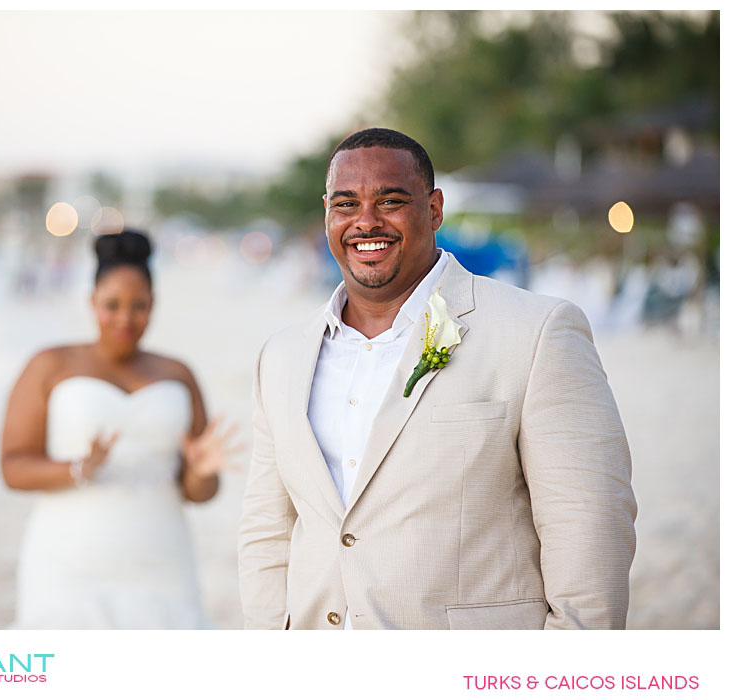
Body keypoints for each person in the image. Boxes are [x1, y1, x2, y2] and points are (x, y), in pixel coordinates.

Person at [238, 128, 637, 630]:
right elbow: (268, 532)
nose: (366, 221)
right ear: (326, 214)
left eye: (390, 201)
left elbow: (589, 531)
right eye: (346, 204)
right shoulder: (281, 356)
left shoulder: (537, 333)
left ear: (434, 209)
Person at [2, 229, 237, 629]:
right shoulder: (49, 364)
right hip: (68, 563)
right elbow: (12, 468)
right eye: (112, 305)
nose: (125, 318)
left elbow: (200, 493)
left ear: (154, 305)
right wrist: (79, 467)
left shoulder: (177, 374)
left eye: (138, 306)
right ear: (92, 302)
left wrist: (201, 471)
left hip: (162, 559)